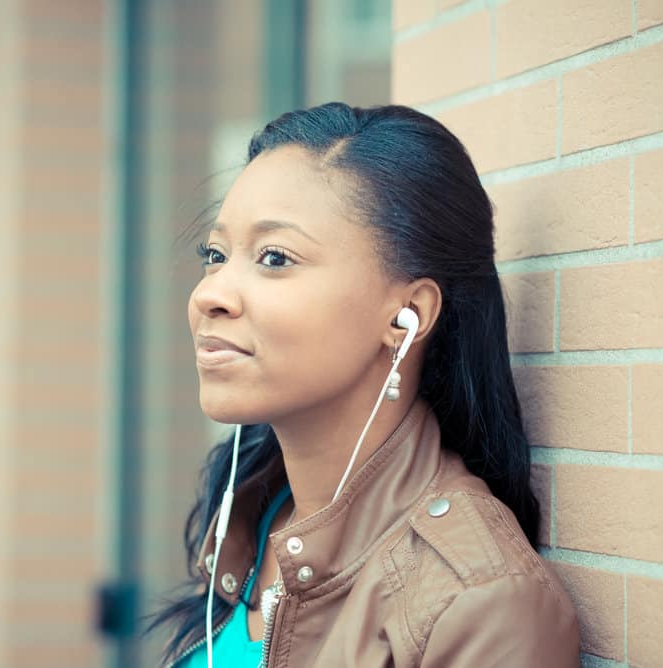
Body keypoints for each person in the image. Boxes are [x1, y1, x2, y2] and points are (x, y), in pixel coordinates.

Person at [146, 102, 581, 667]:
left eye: (275, 257)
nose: (211, 295)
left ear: (407, 315)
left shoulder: (481, 604)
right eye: (216, 254)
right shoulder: (255, 509)